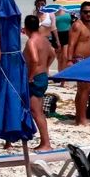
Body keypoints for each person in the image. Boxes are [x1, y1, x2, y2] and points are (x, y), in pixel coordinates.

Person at [24, 14, 55, 151]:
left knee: (36, 112)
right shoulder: (44, 40)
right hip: (42, 76)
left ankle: (46, 143)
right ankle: (45, 142)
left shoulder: (31, 41)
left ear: (26, 27)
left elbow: (35, 60)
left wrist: (30, 76)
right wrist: (46, 67)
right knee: (39, 112)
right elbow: (53, 54)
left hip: (35, 78)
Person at [68, 2, 90, 126]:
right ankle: (82, 119)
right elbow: (71, 44)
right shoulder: (77, 25)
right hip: (80, 60)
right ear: (81, 13)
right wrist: (69, 60)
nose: (88, 14)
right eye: (85, 12)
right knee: (84, 89)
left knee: (85, 89)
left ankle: (79, 117)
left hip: (88, 61)